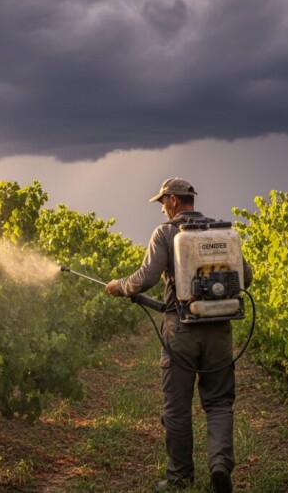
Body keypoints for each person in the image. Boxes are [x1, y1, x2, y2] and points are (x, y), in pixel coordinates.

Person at [105, 177, 252, 493]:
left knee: (177, 407)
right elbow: (247, 277)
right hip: (219, 330)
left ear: (173, 200)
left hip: (181, 331)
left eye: (162, 202)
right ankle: (220, 465)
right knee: (218, 402)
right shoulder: (220, 232)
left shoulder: (167, 233)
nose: (161, 209)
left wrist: (120, 286)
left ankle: (180, 477)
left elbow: (146, 277)